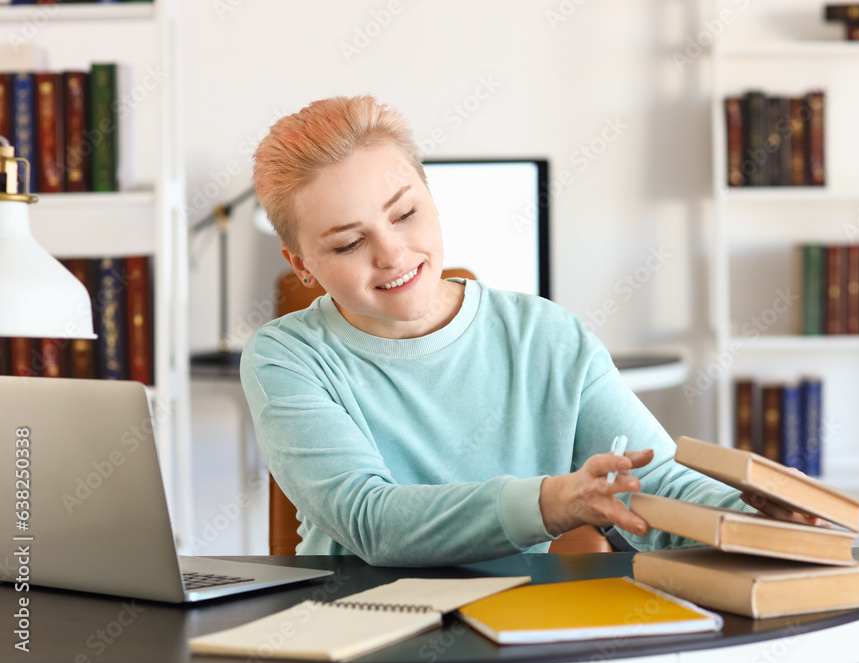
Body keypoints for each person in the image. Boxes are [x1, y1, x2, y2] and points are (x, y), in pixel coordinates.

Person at [243, 95, 813, 566]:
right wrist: (554, 502)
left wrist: (746, 517)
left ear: (433, 200)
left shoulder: (548, 337)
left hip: (525, 631)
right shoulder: (285, 358)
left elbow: (651, 483)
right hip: (357, 629)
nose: (392, 254)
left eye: (405, 214)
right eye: (348, 242)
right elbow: (370, 521)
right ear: (302, 266)